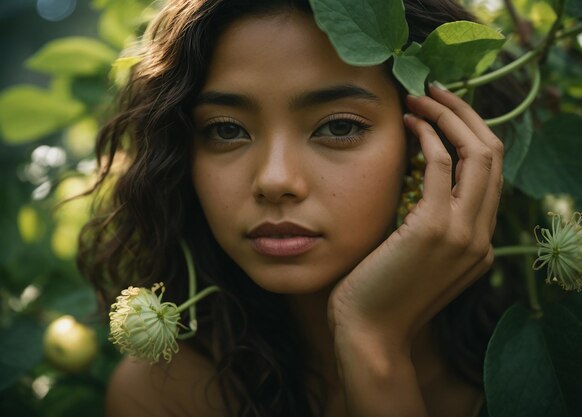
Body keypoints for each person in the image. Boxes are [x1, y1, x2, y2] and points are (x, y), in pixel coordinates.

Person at [78, 0, 508, 416]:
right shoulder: (164, 397)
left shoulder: (536, 363)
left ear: (428, 142)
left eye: (339, 126)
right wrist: (374, 345)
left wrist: (371, 343)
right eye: (226, 130)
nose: (274, 180)